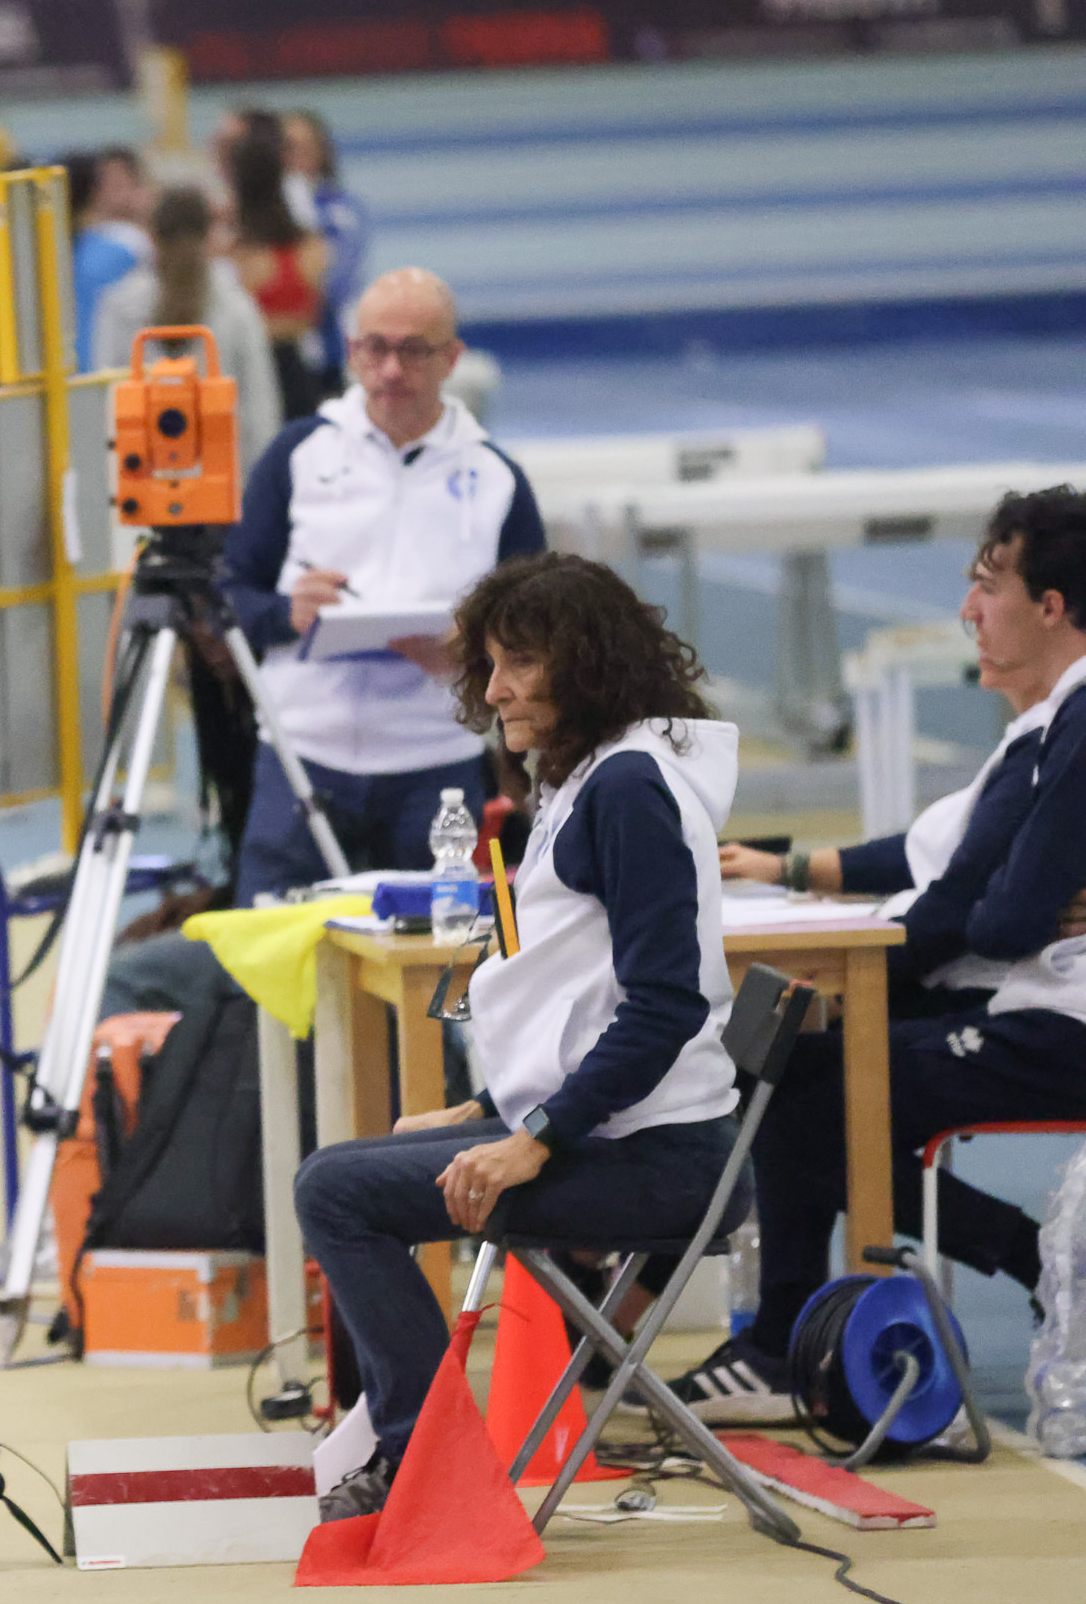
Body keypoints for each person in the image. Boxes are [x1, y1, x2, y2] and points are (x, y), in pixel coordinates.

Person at [299, 553, 742, 1520]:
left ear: (586, 667)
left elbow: (664, 1006)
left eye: (520, 664)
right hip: (618, 1134)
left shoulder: (629, 789)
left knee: (336, 1193)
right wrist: (484, 1108)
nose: (494, 690)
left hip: (663, 1159)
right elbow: (576, 1001)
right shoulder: (591, 779)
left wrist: (531, 1138)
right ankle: (421, 1454)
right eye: (491, 664)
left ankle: (427, 1470)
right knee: (343, 1170)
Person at [674, 488, 1086, 1422]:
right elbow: (962, 877)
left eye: (989, 587)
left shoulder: (1071, 729)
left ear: (1051, 606)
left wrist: (852, 971)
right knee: (772, 1057)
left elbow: (993, 918)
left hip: (1057, 1022)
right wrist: (802, 879)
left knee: (795, 1087)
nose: (968, 612)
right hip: (1019, 997)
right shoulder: (1046, 730)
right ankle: (725, 1315)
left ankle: (781, 1341)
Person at [217, 266, 542, 900]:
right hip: (300, 760)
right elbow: (230, 593)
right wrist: (285, 611)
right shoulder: (298, 455)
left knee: (439, 952)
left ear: (452, 358)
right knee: (269, 946)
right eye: (376, 348)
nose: (391, 369)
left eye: (413, 350)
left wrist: (477, 650)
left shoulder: (497, 479)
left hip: (435, 766)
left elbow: (541, 633)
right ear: (352, 352)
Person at [91, 184, 281, 469]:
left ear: (151, 236)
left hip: (144, 476)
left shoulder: (119, 306)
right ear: (211, 235)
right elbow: (260, 407)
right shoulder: (237, 308)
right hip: (223, 475)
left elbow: (106, 400)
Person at [226, 126, 329, 424]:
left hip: (253, 378)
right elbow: (311, 316)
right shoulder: (311, 248)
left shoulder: (234, 254)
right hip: (299, 373)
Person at [284, 109, 369, 394]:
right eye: (286, 148)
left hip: (328, 350)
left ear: (321, 153)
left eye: (302, 148)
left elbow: (335, 282)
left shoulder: (342, 209)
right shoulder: (263, 214)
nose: (293, 157)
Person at [63, 145, 153, 354]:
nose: (115, 195)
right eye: (107, 186)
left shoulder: (129, 242)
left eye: (121, 184)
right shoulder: (127, 244)